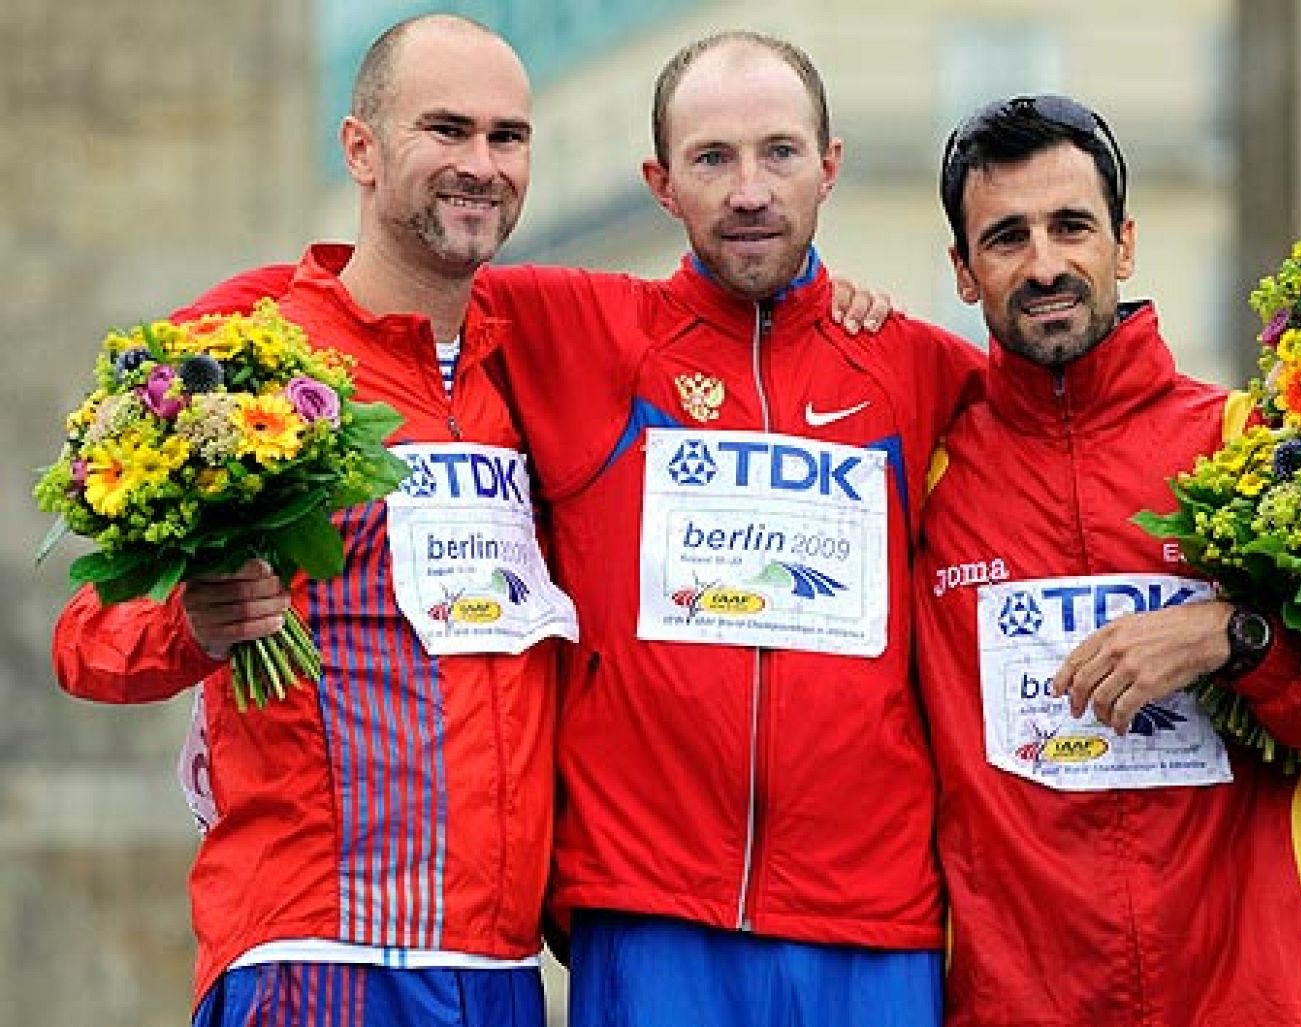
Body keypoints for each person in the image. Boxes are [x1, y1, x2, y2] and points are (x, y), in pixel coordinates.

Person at [166, 27, 980, 1027]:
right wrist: (189, 369)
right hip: (642, 917)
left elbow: (1051, 447)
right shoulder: (581, 326)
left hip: (871, 919)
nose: (751, 189)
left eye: (778, 152)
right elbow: (365, 287)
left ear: (831, 165)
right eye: (711, 158)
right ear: (659, 183)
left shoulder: (919, 365)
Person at [53, 15, 578, 1026]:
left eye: (507, 137)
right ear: (361, 150)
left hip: (501, 969)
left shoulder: (529, 369)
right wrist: (199, 621)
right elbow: (84, 638)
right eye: (447, 130)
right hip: (319, 951)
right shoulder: (259, 359)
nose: (481, 165)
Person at [913, 94, 1301, 1026]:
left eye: (1070, 226)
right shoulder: (926, 478)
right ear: (965, 272)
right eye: (1007, 238)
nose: (1045, 264)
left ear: (1123, 243)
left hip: (1266, 999)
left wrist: (1237, 637)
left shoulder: (1261, 450)